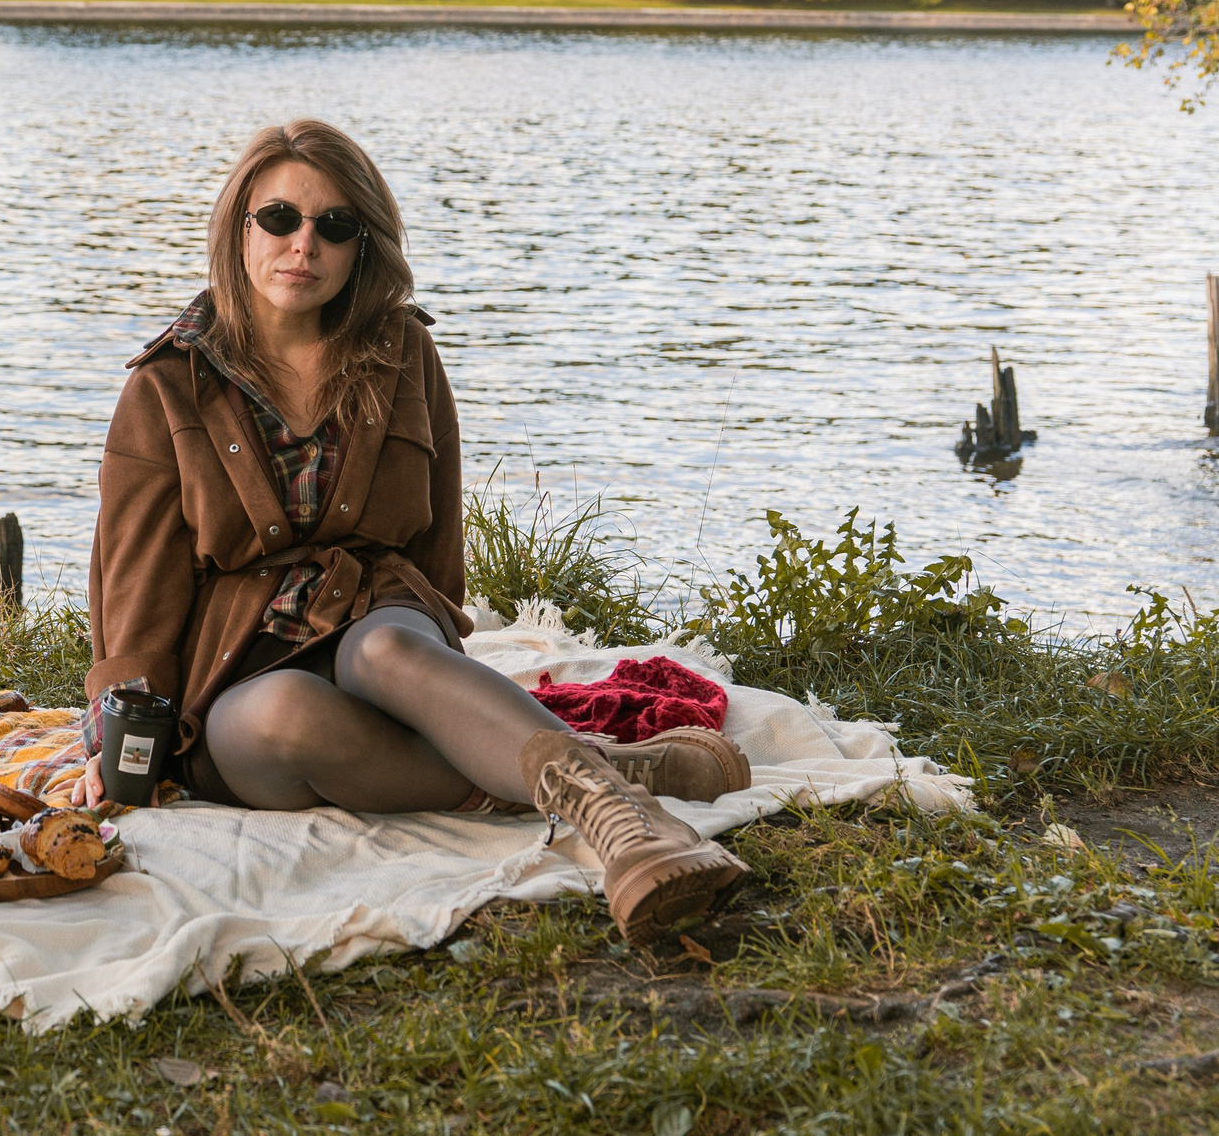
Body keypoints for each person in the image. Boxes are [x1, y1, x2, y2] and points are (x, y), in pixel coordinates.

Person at [72, 119, 748, 942]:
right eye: (279, 218)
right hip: (239, 670)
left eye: (334, 225)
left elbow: (436, 548)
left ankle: (621, 826)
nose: (303, 244)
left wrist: (434, 671)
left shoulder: (401, 351)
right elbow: (136, 585)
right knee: (285, 710)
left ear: (363, 243)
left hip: (374, 615)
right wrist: (117, 742)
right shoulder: (167, 386)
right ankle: (601, 768)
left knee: (389, 648)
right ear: (239, 228)